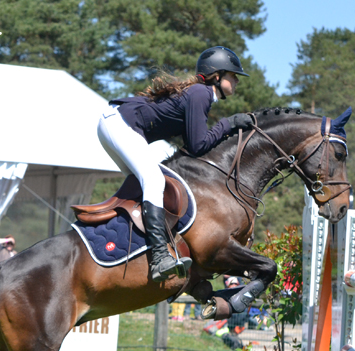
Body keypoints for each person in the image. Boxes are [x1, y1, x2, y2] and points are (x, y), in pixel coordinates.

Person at [98, 46, 253, 282]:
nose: (237, 82)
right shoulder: (201, 93)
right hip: (120, 124)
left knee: (143, 186)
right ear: (217, 76)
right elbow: (198, 146)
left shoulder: (198, 94)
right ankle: (160, 257)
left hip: (114, 123)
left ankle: (133, 245)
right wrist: (228, 124)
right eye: (233, 76)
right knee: (154, 180)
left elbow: (192, 145)